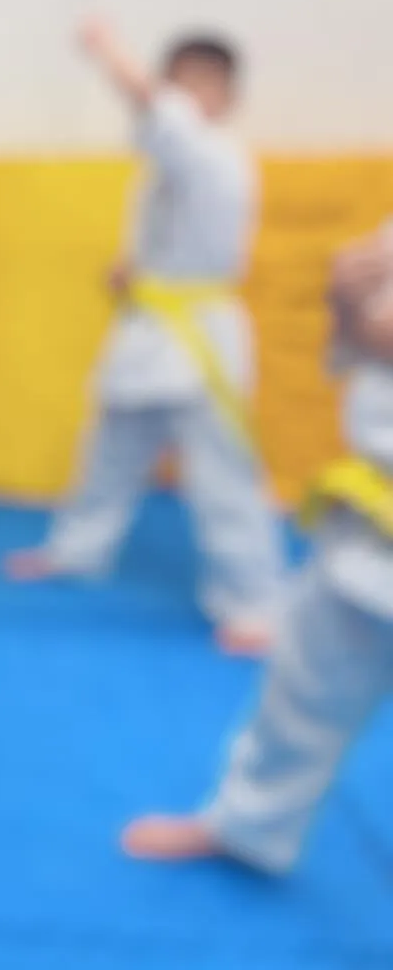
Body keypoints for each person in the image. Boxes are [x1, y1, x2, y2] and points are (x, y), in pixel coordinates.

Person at [4, 17, 285, 656]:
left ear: (225, 98)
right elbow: (175, 236)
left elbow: (162, 116)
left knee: (222, 476)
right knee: (109, 450)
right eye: (174, 86)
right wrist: (134, 272)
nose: (181, 101)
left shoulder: (219, 156)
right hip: (149, 325)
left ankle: (255, 604)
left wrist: (109, 51)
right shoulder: (165, 167)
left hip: (200, 337)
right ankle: (79, 550)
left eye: (197, 89)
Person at [122, 227, 393, 871]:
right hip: (372, 523)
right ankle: (248, 824)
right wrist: (349, 303)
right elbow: (362, 346)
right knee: (306, 681)